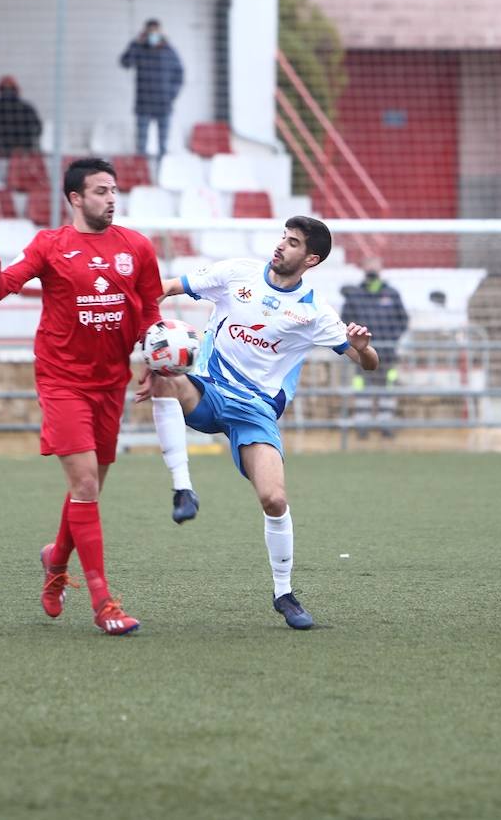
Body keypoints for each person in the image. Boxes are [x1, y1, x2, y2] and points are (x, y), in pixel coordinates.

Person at [140, 216, 379, 629]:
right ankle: (184, 490)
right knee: (164, 375)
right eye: (283, 238)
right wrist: (149, 336)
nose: (281, 247)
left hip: (255, 412)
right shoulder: (237, 274)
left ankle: (284, 594)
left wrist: (363, 347)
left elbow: (368, 364)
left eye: (293, 243)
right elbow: (164, 288)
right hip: (208, 389)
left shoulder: (315, 312)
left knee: (274, 499)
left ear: (311, 258)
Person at [0, 157, 162, 636]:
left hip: (110, 383)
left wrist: (157, 358)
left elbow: (149, 310)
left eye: (113, 190)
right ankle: (103, 604)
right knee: (87, 487)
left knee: (88, 487)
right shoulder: (50, 245)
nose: (111, 198)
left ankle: (55, 560)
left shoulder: (136, 247)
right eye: (100, 191)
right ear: (75, 198)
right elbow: (3, 288)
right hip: (62, 382)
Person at [340, 257, 409, 435]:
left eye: (375, 265)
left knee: (388, 387)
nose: (372, 269)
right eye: (368, 265)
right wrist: (356, 343)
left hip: (387, 352)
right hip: (361, 354)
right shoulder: (355, 295)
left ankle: (386, 426)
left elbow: (403, 320)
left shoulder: (391, 293)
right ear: (363, 268)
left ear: (381, 268)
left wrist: (391, 339)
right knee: (362, 387)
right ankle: (362, 427)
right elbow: (345, 320)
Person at [119, 19, 184, 158]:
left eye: (156, 32)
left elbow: (179, 74)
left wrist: (171, 94)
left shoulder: (169, 50)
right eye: (151, 32)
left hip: (164, 105)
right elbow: (125, 63)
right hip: (144, 105)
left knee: (163, 145)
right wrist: (135, 43)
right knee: (141, 144)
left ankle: (162, 174)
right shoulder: (139, 49)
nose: (153, 35)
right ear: (146, 32)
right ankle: (141, 173)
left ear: (161, 32)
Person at [0, 75, 42, 155]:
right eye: (5, 89)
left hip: (22, 152)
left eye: (10, 89)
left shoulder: (27, 109)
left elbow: (37, 129)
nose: (8, 92)